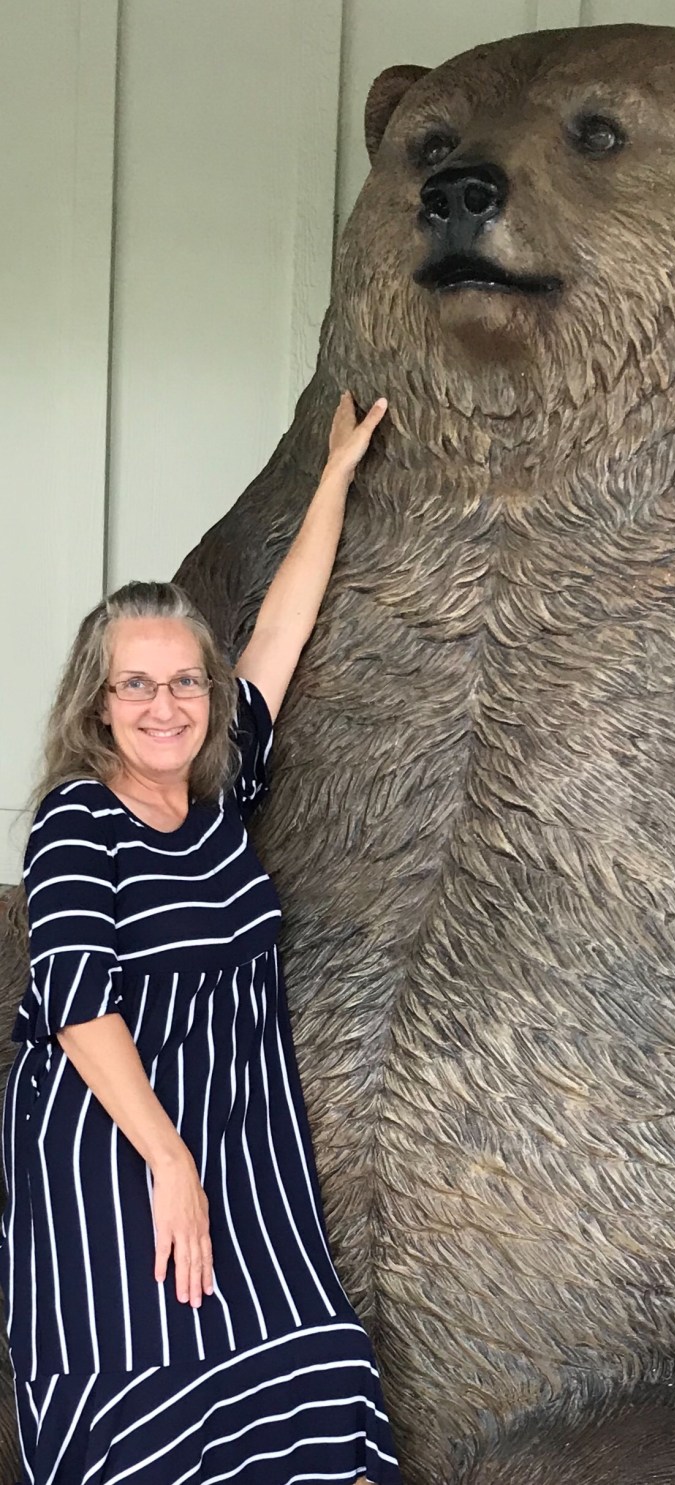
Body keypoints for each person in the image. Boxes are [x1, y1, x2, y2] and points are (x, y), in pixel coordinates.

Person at [0, 394, 400, 1485]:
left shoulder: (220, 800)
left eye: (185, 681)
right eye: (136, 684)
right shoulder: (78, 818)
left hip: (243, 1150)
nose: (165, 705)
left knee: (314, 1386)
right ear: (98, 704)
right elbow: (76, 1002)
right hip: (118, 1145)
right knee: (150, 1419)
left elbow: (279, 636)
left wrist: (334, 479)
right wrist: (168, 1160)